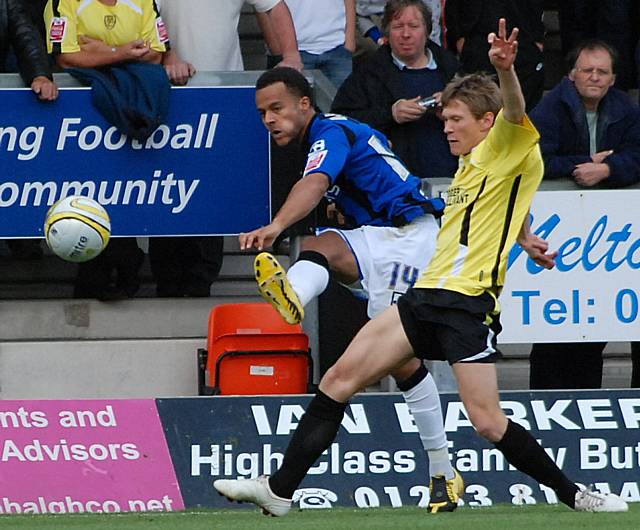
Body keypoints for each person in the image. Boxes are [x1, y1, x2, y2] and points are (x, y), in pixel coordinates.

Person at [213, 19, 628, 515]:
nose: (446, 128)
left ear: (486, 122)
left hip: (466, 305)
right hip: (424, 297)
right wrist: (525, 236)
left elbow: (514, 112)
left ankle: (574, 494)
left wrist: (505, 70)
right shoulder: (470, 164)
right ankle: (279, 490)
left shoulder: (509, 143)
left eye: (456, 120)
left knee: (487, 422)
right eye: (445, 119)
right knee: (338, 380)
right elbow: (492, 207)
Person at [235, 64, 464, 513]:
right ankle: (442, 472)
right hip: (389, 241)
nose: (269, 120)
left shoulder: (330, 132)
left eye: (277, 109)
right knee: (400, 360)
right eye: (262, 112)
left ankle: (295, 294)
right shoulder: (330, 138)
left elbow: (316, 183)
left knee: (385, 363)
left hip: (409, 239)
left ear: (305, 104)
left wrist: (277, 225)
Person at [528, 39, 640, 389]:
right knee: (553, 339)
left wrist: (608, 171)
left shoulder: (626, 108)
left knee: (597, 331)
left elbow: (637, 153)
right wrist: (582, 164)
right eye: (587, 70)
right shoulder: (549, 108)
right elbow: (533, 158)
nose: (594, 77)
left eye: (602, 72)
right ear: (571, 74)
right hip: (560, 236)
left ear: (613, 78)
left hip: (609, 241)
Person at [44, 0, 171, 300]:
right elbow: (66, 58)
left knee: (126, 189)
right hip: (79, 121)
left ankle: (125, 268)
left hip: (126, 115)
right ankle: (101, 274)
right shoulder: (64, 3)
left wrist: (101, 52)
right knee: (89, 195)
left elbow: (155, 54)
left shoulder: (143, 1)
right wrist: (123, 52)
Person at [332, 0, 459, 181]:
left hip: (452, 180)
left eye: (413, 26)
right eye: (398, 26)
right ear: (387, 33)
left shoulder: (452, 71)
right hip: (392, 184)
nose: (406, 34)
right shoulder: (368, 73)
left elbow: (483, 117)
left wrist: (454, 107)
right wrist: (390, 113)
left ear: (427, 31)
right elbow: (341, 122)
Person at [444, 0, 544, 111]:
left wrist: (537, 37)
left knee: (521, 109)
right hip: (475, 37)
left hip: (522, 35)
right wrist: (458, 37)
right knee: (478, 108)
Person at [256, 0, 356, 88]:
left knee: (343, 106)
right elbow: (263, 5)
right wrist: (276, 48)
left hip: (338, 47)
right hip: (292, 53)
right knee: (290, 106)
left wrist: (350, 39)